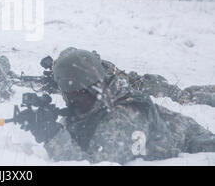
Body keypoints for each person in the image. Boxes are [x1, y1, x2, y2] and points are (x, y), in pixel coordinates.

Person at [38, 48, 215, 164]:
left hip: (197, 142)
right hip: (177, 131)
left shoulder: (123, 116)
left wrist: (54, 137)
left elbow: (97, 162)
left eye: (73, 94)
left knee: (187, 95)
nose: (70, 100)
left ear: (88, 90)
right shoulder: (93, 103)